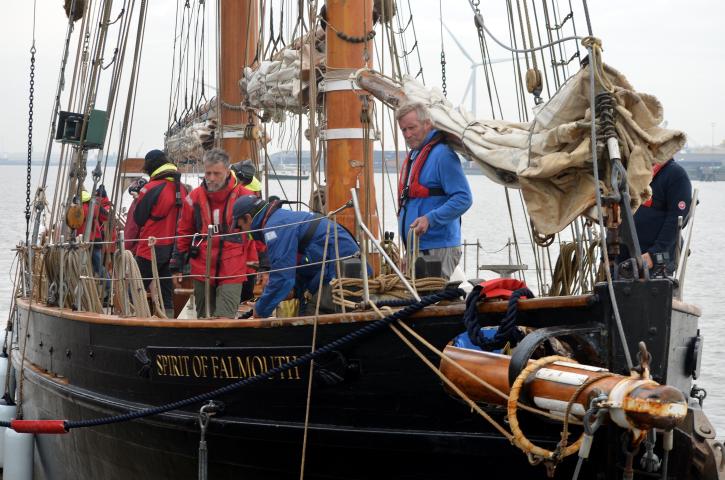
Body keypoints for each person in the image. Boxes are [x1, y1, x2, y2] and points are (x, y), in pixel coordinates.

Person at [232, 195, 361, 318]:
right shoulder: (280, 219)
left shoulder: (275, 228)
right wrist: (295, 289)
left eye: (240, 226)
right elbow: (307, 261)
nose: (243, 232)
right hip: (342, 266)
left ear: (248, 218)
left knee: (312, 316)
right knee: (305, 307)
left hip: (339, 273)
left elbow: (282, 277)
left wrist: (260, 310)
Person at [171, 148, 255, 318]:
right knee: (203, 317)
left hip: (233, 267)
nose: (211, 178)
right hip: (202, 265)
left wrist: (264, 265)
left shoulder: (245, 197)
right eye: (208, 173)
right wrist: (177, 266)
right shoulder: (193, 198)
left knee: (224, 318)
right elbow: (184, 232)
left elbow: (258, 233)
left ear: (227, 170)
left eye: (216, 173)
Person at [396, 102, 473, 279]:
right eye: (403, 130)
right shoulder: (415, 155)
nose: (407, 134)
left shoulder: (443, 155)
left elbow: (464, 198)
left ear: (427, 124)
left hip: (438, 249)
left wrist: (430, 219)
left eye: (412, 128)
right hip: (417, 248)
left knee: (429, 302)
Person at [132, 150, 187, 317]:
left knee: (135, 288)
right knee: (166, 292)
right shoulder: (183, 189)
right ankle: (167, 319)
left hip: (150, 249)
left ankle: (131, 317)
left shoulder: (150, 188)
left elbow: (139, 219)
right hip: (172, 249)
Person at [619, 158, 692, 275]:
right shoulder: (630, 173)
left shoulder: (676, 175)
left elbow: (676, 219)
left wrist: (654, 254)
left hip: (656, 261)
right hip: (624, 259)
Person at [124, 177, 147, 256]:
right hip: (134, 247)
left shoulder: (137, 204)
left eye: (134, 194)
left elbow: (133, 227)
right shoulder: (137, 203)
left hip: (134, 249)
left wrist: (127, 246)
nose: (132, 196)